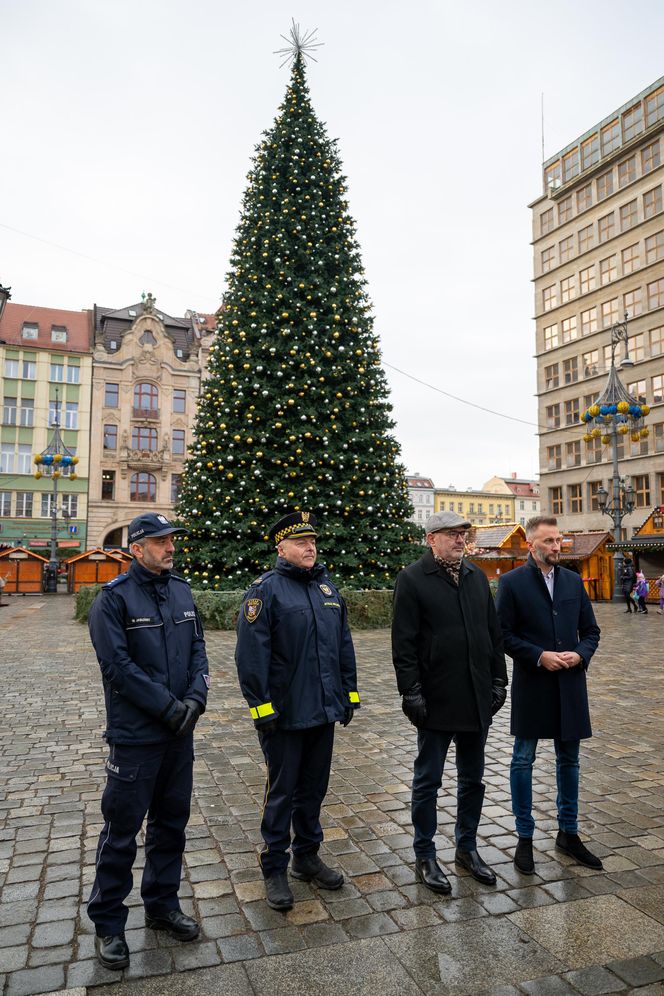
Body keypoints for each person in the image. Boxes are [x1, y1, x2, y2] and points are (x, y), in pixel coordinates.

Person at [87, 513, 209, 970]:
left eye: (171, 540)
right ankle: (108, 923)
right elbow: (118, 668)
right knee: (121, 833)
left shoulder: (181, 589)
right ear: (137, 549)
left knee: (171, 823)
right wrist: (168, 707)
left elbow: (199, 650)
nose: (170, 548)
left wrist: (195, 699)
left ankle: (161, 904)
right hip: (136, 737)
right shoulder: (113, 599)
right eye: (160, 542)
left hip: (180, 734)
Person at [235, 511, 360, 911]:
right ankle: (274, 867)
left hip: (323, 712)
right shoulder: (264, 592)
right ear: (281, 548)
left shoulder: (327, 589)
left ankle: (306, 857)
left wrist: (349, 696)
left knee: (314, 789)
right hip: (285, 716)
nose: (310, 547)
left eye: (313, 542)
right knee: (282, 793)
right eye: (301, 542)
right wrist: (262, 709)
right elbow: (251, 659)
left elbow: (343, 647)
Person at [391, 511, 508, 894]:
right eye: (451, 534)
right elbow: (404, 644)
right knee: (429, 779)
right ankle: (425, 853)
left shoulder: (476, 577)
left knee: (473, 780)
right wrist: (411, 691)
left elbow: (492, 635)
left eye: (463, 534)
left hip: (476, 697)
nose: (460, 540)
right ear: (431, 539)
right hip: (436, 698)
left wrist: (499, 681)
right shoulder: (412, 579)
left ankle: (467, 848)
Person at [495, 515, 602, 876]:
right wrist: (538, 656)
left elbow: (591, 631)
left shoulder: (573, 581)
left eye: (559, 541)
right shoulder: (511, 583)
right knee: (522, 759)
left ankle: (568, 834)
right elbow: (503, 635)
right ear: (531, 545)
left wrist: (581, 654)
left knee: (569, 760)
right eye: (549, 542)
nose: (556, 547)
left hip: (570, 685)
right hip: (534, 683)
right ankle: (524, 838)